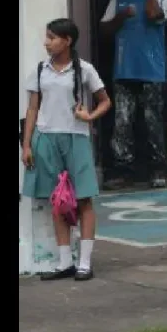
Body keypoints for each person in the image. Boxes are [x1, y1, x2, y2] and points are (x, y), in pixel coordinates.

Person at [21, 18, 112, 282]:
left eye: (52, 37)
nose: (46, 42)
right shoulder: (40, 70)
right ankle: (64, 261)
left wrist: (89, 116)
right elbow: (32, 109)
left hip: (76, 137)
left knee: (83, 198)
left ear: (67, 40)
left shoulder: (84, 70)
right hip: (46, 138)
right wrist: (27, 144)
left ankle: (84, 262)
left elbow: (105, 101)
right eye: (46, 37)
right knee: (57, 199)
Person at [100, 0, 167, 190]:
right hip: (124, 69)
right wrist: (122, 16)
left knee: (152, 121)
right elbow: (104, 29)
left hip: (152, 69)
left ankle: (158, 168)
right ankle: (123, 170)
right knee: (122, 121)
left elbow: (153, 16)